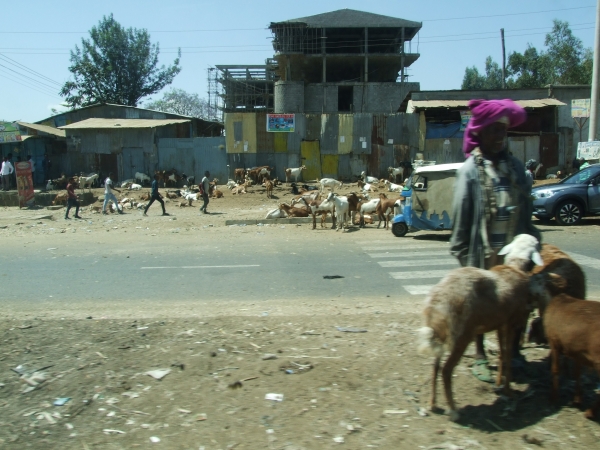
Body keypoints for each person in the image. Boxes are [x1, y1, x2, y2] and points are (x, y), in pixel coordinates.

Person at [450, 99, 541, 383]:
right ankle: (479, 354)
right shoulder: (470, 171)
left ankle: (512, 352)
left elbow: (526, 210)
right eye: (494, 131)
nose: (500, 136)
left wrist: (531, 243)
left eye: (503, 131)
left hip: (513, 254)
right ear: (479, 133)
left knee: (517, 304)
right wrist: (466, 259)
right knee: (481, 306)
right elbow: (461, 220)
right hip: (483, 254)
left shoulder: (516, 168)